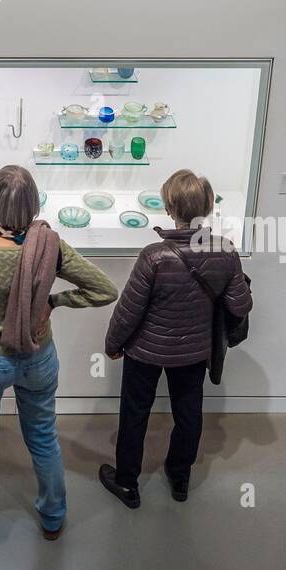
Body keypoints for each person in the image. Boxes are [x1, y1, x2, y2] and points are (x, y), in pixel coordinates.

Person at [0, 164, 118, 543]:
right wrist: (54, 301)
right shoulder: (51, 247)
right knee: (42, 437)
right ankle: (53, 516)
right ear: (35, 209)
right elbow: (105, 290)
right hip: (38, 358)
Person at [99, 169, 252, 508]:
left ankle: (127, 482)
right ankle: (180, 477)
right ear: (209, 207)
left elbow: (129, 309)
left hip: (146, 351)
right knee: (189, 412)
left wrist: (113, 345)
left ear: (169, 209)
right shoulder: (225, 252)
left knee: (135, 413)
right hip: (194, 351)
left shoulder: (154, 255)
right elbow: (240, 304)